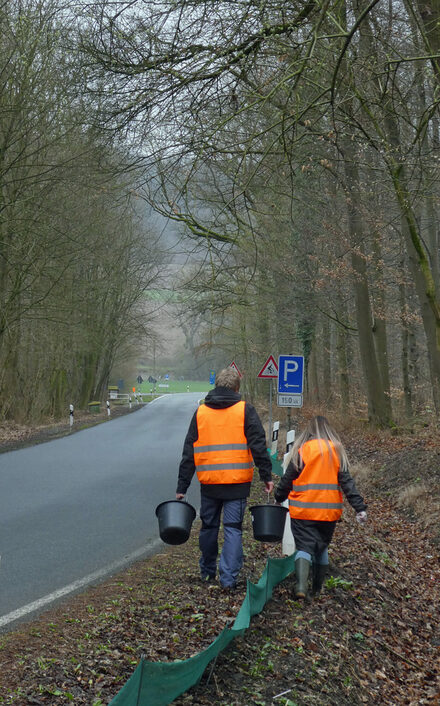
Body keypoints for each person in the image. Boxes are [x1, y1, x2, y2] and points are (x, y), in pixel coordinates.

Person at [176, 367, 274, 590]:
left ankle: (207, 572)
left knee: (209, 527)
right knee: (232, 529)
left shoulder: (201, 413)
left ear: (216, 386)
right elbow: (259, 445)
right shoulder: (245, 410)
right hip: (237, 483)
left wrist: (182, 486)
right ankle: (228, 579)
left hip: (209, 483)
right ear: (237, 388)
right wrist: (265, 475)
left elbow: (188, 452)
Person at [274, 415, 367, 599]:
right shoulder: (336, 450)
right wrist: (359, 507)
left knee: (304, 547)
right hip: (328, 513)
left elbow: (288, 479)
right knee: (321, 547)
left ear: (309, 431)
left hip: (303, 510)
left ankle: (301, 586)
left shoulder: (303, 450)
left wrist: (279, 497)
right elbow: (347, 482)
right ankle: (317, 588)